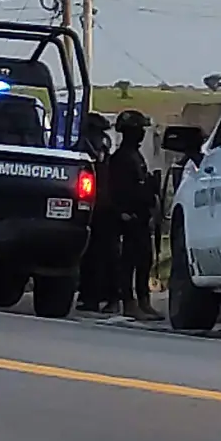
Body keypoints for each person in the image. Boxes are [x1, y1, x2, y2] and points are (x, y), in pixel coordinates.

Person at [108, 110, 160, 320]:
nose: (141, 134)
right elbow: (117, 190)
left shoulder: (135, 156)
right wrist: (123, 213)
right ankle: (129, 303)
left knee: (144, 260)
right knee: (129, 262)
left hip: (141, 216)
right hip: (129, 218)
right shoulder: (121, 158)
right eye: (138, 130)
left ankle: (143, 300)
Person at [75, 112, 117, 313]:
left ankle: (99, 295)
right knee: (93, 257)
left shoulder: (105, 157)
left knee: (104, 256)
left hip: (104, 213)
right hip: (92, 212)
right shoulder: (83, 154)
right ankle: (90, 296)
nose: (101, 140)